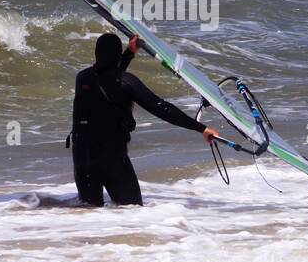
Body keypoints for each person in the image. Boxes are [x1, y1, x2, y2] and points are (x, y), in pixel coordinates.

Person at [68, 32, 219, 205]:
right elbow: (161, 108)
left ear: (96, 54)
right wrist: (201, 128)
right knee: (132, 211)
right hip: (111, 158)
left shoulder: (83, 78)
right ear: (117, 55)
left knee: (89, 213)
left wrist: (130, 52)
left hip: (82, 157)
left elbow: (108, 78)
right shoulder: (127, 82)